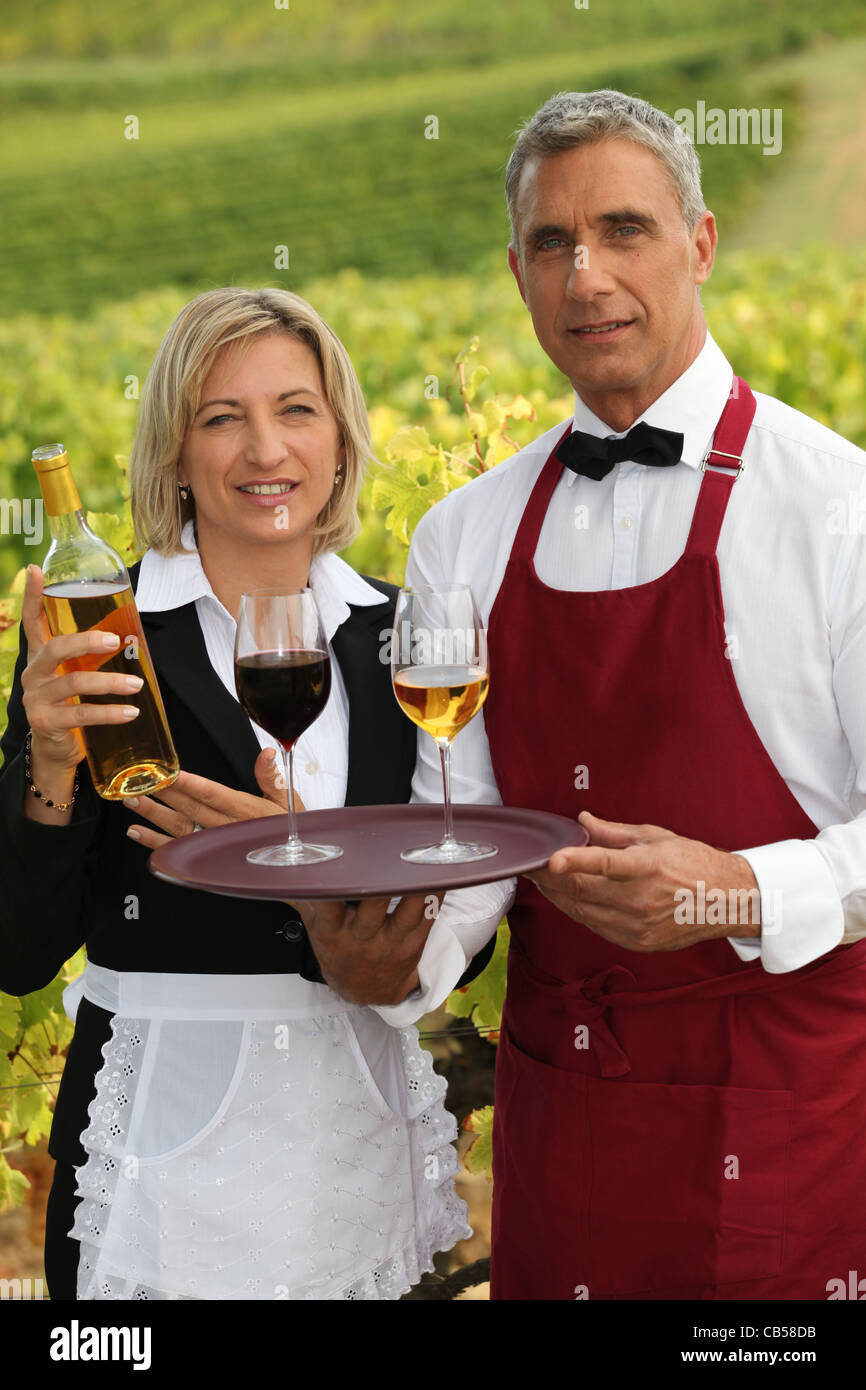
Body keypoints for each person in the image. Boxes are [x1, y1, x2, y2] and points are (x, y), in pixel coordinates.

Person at [403, 89, 866, 1299]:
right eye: (551, 244)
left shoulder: (837, 507)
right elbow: (469, 838)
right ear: (516, 274)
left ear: (699, 243)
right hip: (563, 1121)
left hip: (778, 1113)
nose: (586, 274)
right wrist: (397, 953)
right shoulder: (461, 533)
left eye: (623, 230)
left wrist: (728, 889)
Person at [0, 286, 506, 1300]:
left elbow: (458, 902)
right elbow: (17, 950)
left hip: (354, 1122)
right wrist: (48, 764)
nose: (264, 449)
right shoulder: (105, 632)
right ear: (175, 453)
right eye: (221, 417)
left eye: (296, 409)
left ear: (340, 440)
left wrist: (307, 861)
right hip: (162, 1126)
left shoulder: (403, 634)